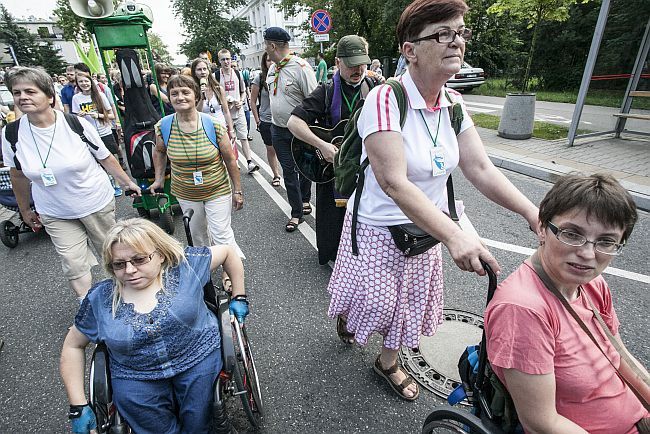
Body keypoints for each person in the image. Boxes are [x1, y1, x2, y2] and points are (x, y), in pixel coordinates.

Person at [326, 0, 539, 401]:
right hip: (376, 227)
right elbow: (394, 183)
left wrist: (532, 212)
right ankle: (350, 317)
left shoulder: (455, 104)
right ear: (410, 50)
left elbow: (481, 169)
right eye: (443, 34)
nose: (456, 42)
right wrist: (455, 237)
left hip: (427, 228)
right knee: (374, 300)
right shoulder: (386, 99)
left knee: (405, 305)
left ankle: (387, 361)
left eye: (460, 32)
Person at [484, 173, 649, 434]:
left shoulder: (593, 284)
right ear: (541, 228)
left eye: (606, 241)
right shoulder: (523, 310)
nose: (586, 253)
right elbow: (541, 423)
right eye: (572, 234)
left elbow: (620, 356)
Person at [60, 218, 249, 433]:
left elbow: (227, 252)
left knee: (199, 424)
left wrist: (239, 296)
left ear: (160, 255)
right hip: (135, 375)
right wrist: (78, 406)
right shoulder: (100, 298)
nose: (129, 270)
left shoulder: (185, 266)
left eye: (139, 259)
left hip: (196, 357)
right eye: (119, 264)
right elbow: (72, 346)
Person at [1, 67, 140, 299]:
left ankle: (127, 298)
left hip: (93, 201)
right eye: (17, 93)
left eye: (30, 91)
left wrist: (127, 183)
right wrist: (24, 209)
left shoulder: (75, 124)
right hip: (54, 210)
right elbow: (17, 174)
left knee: (113, 254)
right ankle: (90, 309)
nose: (22, 97)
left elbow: (105, 156)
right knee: (73, 263)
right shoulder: (12, 133)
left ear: (49, 96)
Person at [288, 35, 381, 265]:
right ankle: (335, 257)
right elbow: (293, 123)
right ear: (338, 62)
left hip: (367, 165)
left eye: (362, 63)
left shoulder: (377, 88)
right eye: (351, 64)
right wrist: (322, 145)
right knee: (333, 218)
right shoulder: (326, 90)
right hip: (333, 165)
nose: (358, 69)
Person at [149, 74, 244, 286]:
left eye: (185, 92)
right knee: (197, 235)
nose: (180, 97)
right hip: (185, 191)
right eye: (174, 93)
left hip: (217, 188)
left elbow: (230, 159)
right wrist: (157, 179)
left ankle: (229, 273)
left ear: (195, 95)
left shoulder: (213, 125)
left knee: (221, 233)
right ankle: (205, 272)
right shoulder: (164, 126)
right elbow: (160, 152)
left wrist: (237, 190)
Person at [264, 26, 318, 232]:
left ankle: (305, 199)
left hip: (299, 130)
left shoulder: (301, 68)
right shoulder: (272, 68)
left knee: (304, 168)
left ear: (272, 45)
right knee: (289, 171)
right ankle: (296, 213)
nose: (265, 49)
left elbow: (314, 101)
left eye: (266, 45)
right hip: (278, 129)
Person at [71, 71, 122, 197]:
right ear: (77, 84)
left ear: (91, 82)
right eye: (81, 82)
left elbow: (111, 115)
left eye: (86, 81)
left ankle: (117, 183)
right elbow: (74, 116)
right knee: (95, 160)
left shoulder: (100, 95)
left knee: (111, 156)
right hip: (87, 134)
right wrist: (79, 116)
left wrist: (98, 115)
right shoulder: (76, 98)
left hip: (104, 131)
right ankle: (106, 183)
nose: (84, 84)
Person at [216, 49, 259, 174]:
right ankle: (231, 163)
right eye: (223, 59)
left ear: (231, 59)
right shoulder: (216, 76)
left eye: (228, 59)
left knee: (243, 137)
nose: (226, 62)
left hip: (238, 111)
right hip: (224, 114)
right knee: (227, 140)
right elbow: (213, 95)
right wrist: (223, 103)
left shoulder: (237, 73)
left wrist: (241, 101)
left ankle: (250, 162)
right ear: (219, 61)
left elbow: (243, 91)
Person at [250, 52, 282, 188]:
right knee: (271, 149)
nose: (271, 63)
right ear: (264, 63)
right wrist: (257, 121)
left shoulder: (282, 75)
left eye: (273, 60)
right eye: (268, 60)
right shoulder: (259, 78)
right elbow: (252, 101)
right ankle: (276, 174)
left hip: (282, 120)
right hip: (266, 120)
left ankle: (289, 174)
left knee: (284, 150)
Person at [191, 58, 235, 139]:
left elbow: (226, 111)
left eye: (205, 69)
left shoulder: (218, 89)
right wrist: (202, 97)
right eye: (199, 69)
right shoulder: (192, 91)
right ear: (194, 72)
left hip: (221, 129)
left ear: (209, 70)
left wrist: (231, 130)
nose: (203, 72)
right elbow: (195, 113)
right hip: (204, 131)